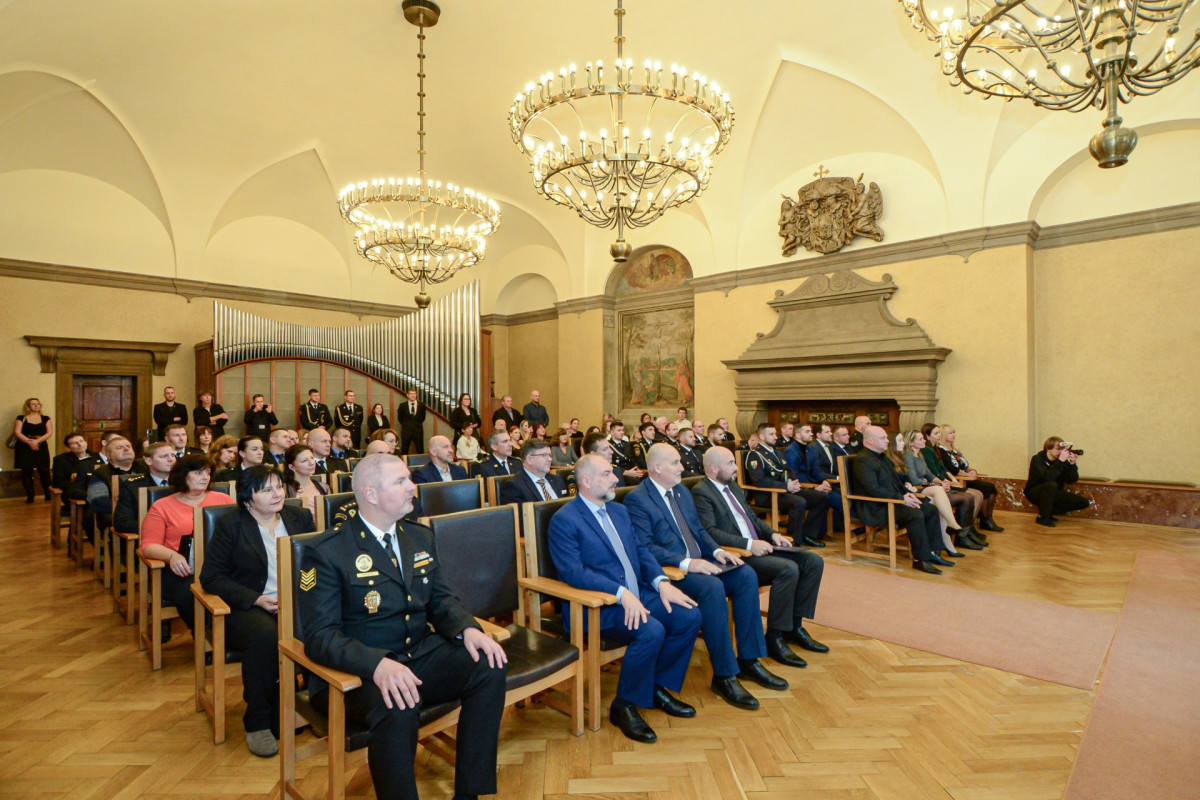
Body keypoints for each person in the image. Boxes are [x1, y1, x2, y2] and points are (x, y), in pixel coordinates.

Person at [299, 454, 507, 800]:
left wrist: (467, 629)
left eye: (410, 478)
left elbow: (441, 599)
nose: (413, 487)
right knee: (398, 703)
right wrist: (377, 665)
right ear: (371, 494)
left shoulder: (418, 537)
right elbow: (319, 638)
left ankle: (470, 792)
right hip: (359, 673)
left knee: (489, 665)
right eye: (401, 481)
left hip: (417, 654)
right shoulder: (328, 551)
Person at [548, 454, 701, 743]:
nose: (616, 479)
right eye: (607, 474)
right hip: (598, 606)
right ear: (586, 481)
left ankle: (655, 686)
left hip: (639, 593)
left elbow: (641, 551)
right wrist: (620, 594)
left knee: (689, 616)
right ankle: (624, 706)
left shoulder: (618, 512)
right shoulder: (564, 520)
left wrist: (662, 582)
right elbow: (573, 572)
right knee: (651, 631)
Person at [627, 443, 785, 710]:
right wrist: (689, 563)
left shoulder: (681, 492)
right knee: (712, 588)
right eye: (676, 463)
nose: (682, 468)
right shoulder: (638, 499)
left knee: (745, 575)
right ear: (657, 467)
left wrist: (718, 550)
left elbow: (699, 530)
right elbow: (646, 547)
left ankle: (749, 660)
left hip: (704, 561)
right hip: (675, 572)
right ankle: (724, 674)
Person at [200, 465, 315, 757]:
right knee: (266, 638)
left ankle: (314, 704)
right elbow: (211, 577)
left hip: (296, 601)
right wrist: (256, 599)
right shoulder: (231, 524)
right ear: (248, 497)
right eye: (267, 489)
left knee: (327, 625)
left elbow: (317, 563)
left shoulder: (299, 517)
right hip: (249, 605)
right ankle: (258, 721)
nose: (277, 494)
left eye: (279, 487)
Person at [692, 446, 827, 668]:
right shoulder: (701, 492)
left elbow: (752, 518)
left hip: (759, 545)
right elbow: (710, 531)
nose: (736, 468)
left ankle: (795, 626)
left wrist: (773, 534)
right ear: (714, 468)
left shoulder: (732, 486)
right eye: (730, 464)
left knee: (813, 561)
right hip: (738, 554)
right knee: (788, 569)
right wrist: (749, 544)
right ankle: (775, 637)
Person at [140, 454, 236, 638]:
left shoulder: (223, 500)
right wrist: (172, 556)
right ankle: (207, 638)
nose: (205, 477)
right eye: (198, 472)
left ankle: (232, 635)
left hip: (220, 566)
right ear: (183, 474)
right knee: (191, 593)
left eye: (208, 473)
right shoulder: (162, 506)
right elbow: (148, 545)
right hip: (180, 570)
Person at [851, 426, 951, 574]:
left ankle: (932, 552)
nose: (887, 441)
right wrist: (901, 498)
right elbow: (873, 490)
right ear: (870, 441)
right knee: (915, 514)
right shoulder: (863, 460)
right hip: (875, 507)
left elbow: (896, 482)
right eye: (883, 438)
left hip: (891, 502)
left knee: (930, 509)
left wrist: (908, 494)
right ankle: (920, 560)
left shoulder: (882, 457)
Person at [745, 424, 829, 548]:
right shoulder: (755, 455)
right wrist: (785, 486)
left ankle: (807, 534)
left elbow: (788, 471)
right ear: (762, 436)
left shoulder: (778, 452)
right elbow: (759, 481)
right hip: (767, 495)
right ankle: (793, 541)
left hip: (785, 491)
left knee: (822, 498)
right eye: (771, 434)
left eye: (775, 433)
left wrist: (794, 483)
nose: (775, 437)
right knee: (799, 502)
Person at [899, 431, 983, 552]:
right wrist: (935, 484)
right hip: (916, 489)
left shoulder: (920, 454)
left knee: (953, 495)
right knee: (945, 492)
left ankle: (954, 532)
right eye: (920, 439)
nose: (924, 441)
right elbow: (913, 479)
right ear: (911, 443)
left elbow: (929, 474)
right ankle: (952, 525)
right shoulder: (908, 455)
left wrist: (942, 482)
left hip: (926, 487)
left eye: (923, 438)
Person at [936, 424, 1004, 532]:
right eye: (950, 433)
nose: (953, 435)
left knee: (991, 488)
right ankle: (970, 525)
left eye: (954, 432)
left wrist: (972, 471)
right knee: (984, 489)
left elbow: (965, 465)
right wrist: (964, 474)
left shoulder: (956, 450)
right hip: (957, 481)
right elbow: (951, 469)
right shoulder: (941, 450)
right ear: (943, 435)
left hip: (966, 478)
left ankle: (987, 519)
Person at [920, 424, 985, 528]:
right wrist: (948, 482)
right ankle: (963, 531)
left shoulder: (935, 448)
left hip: (945, 482)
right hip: (938, 484)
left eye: (939, 433)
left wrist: (955, 481)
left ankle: (969, 530)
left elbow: (944, 469)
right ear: (927, 436)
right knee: (973, 495)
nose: (939, 435)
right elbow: (934, 471)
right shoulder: (927, 450)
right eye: (936, 433)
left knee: (977, 494)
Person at [781, 423, 837, 540]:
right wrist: (814, 488)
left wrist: (823, 481)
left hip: (809, 485)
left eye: (810, 431)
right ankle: (809, 534)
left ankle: (811, 533)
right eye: (807, 431)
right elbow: (793, 477)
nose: (811, 434)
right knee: (822, 498)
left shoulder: (809, 449)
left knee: (826, 495)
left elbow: (816, 471)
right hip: (797, 488)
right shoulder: (791, 451)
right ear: (798, 435)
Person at [1024, 437, 1090, 527]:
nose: (1060, 452)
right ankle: (1043, 517)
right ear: (1048, 448)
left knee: (1083, 502)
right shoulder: (1037, 459)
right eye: (1058, 449)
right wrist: (1060, 461)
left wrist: (1072, 464)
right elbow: (1047, 477)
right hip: (1034, 492)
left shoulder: (1062, 461)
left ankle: (1049, 511)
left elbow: (1071, 480)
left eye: (1062, 449)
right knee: (1051, 484)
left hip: (1053, 492)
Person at [113, 442, 175, 535]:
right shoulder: (133, 486)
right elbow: (122, 522)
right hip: (149, 537)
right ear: (148, 461)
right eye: (164, 456)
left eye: (172, 455)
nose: (171, 459)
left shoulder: (184, 483)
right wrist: (158, 527)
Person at [86, 436, 145, 526]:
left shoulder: (145, 467)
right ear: (108, 455)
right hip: (119, 515)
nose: (126, 449)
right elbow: (97, 501)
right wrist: (135, 507)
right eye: (119, 448)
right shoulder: (101, 473)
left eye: (128, 446)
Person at [498, 439, 568, 505]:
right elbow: (518, 516)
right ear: (529, 459)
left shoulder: (557, 480)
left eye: (550, 455)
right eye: (544, 455)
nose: (549, 459)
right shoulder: (514, 486)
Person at [13, 398, 54, 502]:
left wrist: (37, 441)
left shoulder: (45, 418)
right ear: (28, 406)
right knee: (27, 471)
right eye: (33, 404)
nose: (36, 406)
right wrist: (29, 442)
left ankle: (48, 493)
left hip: (41, 446)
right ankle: (30, 495)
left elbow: (49, 433)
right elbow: (17, 432)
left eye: (38, 404)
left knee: (44, 471)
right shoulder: (21, 418)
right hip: (24, 446)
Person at [283, 443, 329, 518]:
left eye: (312, 458)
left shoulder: (324, 487)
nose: (311, 463)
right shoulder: (284, 490)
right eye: (304, 461)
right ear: (292, 467)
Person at [396, 389, 426, 456]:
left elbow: (423, 418)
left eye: (414, 393)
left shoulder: (421, 405)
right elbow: (400, 418)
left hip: (418, 431)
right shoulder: (402, 405)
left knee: (420, 449)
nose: (413, 395)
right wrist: (407, 425)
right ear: (407, 395)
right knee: (404, 449)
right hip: (406, 431)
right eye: (411, 394)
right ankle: (403, 464)